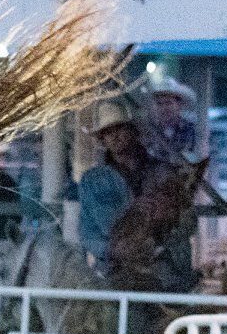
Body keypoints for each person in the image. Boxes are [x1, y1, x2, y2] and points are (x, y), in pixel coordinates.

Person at [76, 99, 196, 290]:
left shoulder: (162, 171)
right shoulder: (93, 180)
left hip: (164, 269)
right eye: (107, 132)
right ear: (102, 140)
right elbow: (98, 229)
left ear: (132, 131)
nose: (114, 136)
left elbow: (187, 221)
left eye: (119, 129)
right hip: (114, 270)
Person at [146, 78, 199, 161]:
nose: (163, 108)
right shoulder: (148, 131)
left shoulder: (191, 131)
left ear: (179, 104)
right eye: (159, 103)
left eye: (168, 103)